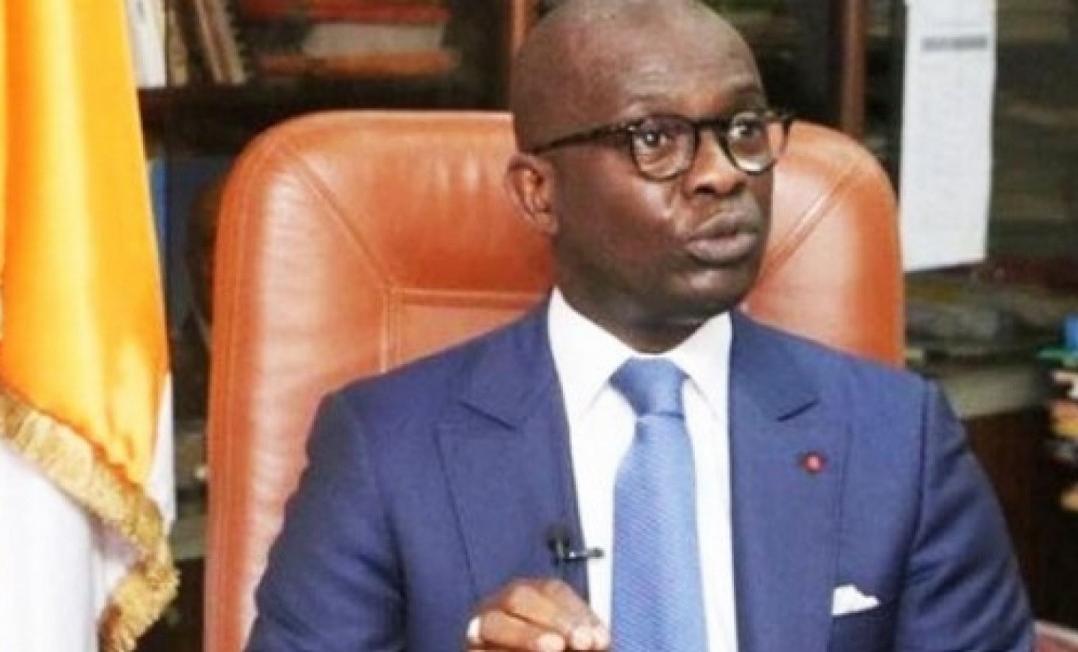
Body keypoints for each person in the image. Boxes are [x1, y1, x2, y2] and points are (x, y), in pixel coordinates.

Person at [247, 1, 1034, 650]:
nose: (722, 173)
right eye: (655, 139)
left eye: (744, 129)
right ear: (539, 194)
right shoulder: (386, 448)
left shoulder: (899, 441)